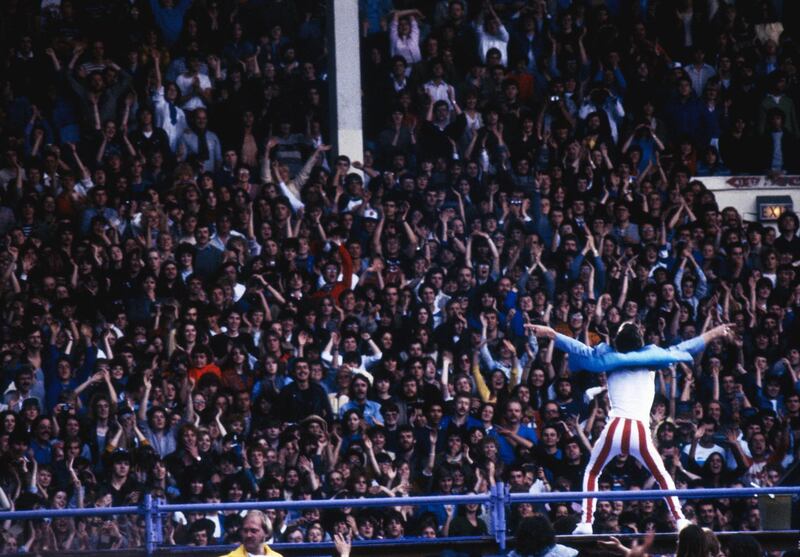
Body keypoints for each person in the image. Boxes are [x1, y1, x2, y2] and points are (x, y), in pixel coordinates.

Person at [529, 323, 734, 534]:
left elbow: (579, 348)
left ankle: (586, 523)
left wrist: (553, 334)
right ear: (641, 342)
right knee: (663, 475)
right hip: (639, 431)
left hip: (615, 428)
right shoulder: (652, 361)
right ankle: (680, 519)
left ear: (617, 342)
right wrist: (715, 332)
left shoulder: (608, 361)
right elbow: (686, 347)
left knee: (592, 472)